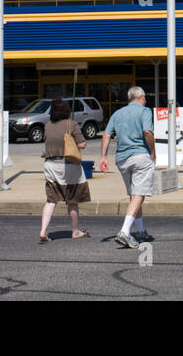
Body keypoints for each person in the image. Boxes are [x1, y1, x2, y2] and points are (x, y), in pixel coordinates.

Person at [98, 85, 156, 248]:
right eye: (145, 98)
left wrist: (103, 156)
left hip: (122, 159)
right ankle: (124, 231)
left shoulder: (117, 114)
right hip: (140, 156)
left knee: (134, 195)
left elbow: (106, 135)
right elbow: (147, 133)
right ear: (142, 97)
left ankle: (141, 231)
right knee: (139, 195)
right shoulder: (145, 112)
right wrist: (153, 152)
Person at [38, 99, 90, 244]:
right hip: (68, 166)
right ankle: (75, 231)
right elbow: (82, 144)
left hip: (49, 164)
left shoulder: (47, 125)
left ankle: (43, 231)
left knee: (51, 200)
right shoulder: (71, 124)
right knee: (72, 201)